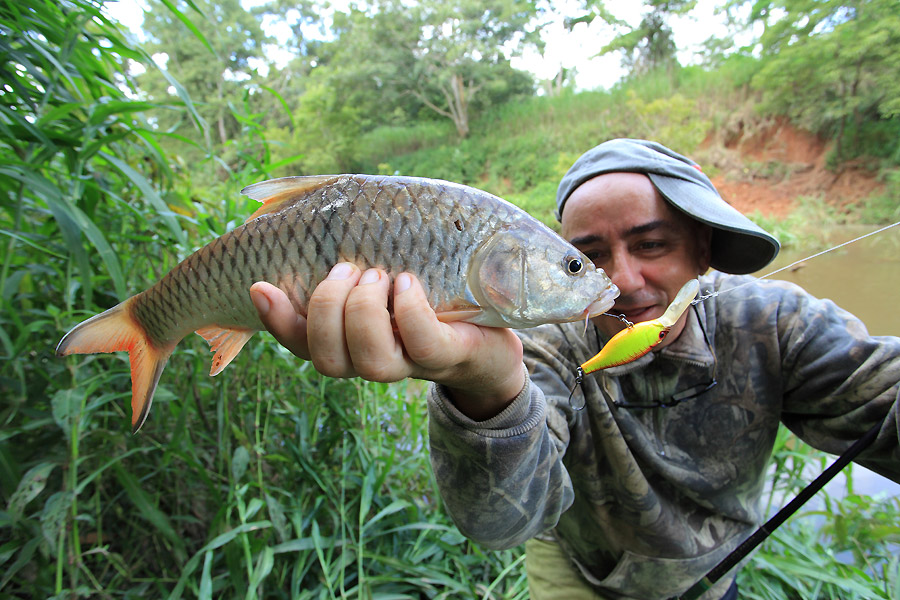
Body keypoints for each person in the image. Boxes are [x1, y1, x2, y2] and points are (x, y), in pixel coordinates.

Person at [249, 139, 900, 600]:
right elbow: (498, 525)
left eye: (651, 244)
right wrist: (488, 388)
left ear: (703, 248)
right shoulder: (539, 343)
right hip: (573, 576)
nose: (622, 280)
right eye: (582, 258)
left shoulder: (779, 324)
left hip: (713, 574)